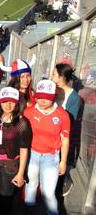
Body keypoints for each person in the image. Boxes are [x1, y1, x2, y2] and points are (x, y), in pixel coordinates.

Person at [0, 87, 32, 215]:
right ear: (0, 102)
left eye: (12, 101)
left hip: (10, 165)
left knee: (7, 195)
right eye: (4, 101)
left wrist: (20, 173)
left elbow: (24, 150)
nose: (8, 105)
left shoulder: (22, 123)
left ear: (17, 103)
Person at [23, 80, 70, 215]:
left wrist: (63, 161)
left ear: (54, 97)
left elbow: (65, 139)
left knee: (48, 192)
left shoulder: (62, 115)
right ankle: (29, 210)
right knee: (31, 185)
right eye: (40, 97)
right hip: (32, 155)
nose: (42, 101)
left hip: (51, 157)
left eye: (47, 98)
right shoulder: (29, 112)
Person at [52, 63, 81, 196]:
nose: (52, 78)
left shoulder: (73, 97)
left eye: (54, 75)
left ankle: (59, 189)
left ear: (62, 77)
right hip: (47, 136)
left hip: (60, 138)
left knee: (59, 165)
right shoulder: (51, 90)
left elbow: (70, 121)